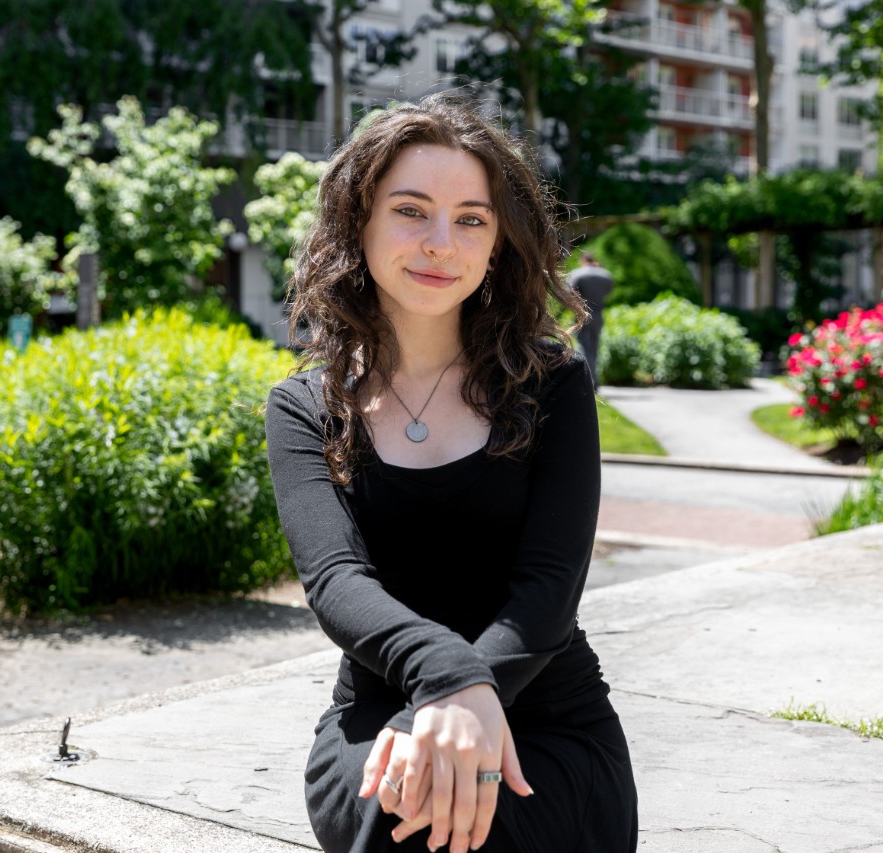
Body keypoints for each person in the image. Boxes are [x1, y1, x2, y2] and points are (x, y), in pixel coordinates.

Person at [265, 93, 637, 853]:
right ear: (358, 224)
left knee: (457, 810)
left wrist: (471, 693)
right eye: (411, 210)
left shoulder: (555, 386)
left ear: (498, 241)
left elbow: (550, 587)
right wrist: (442, 682)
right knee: (407, 803)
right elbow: (337, 582)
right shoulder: (304, 406)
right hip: (378, 713)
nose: (442, 242)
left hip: (547, 719)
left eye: (471, 218)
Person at [567, 252, 614, 388]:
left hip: (581, 313)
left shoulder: (578, 273)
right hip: (598, 313)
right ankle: (595, 379)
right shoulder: (604, 274)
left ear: (582, 261)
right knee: (594, 347)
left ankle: (587, 379)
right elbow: (609, 290)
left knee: (582, 346)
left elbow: (567, 290)